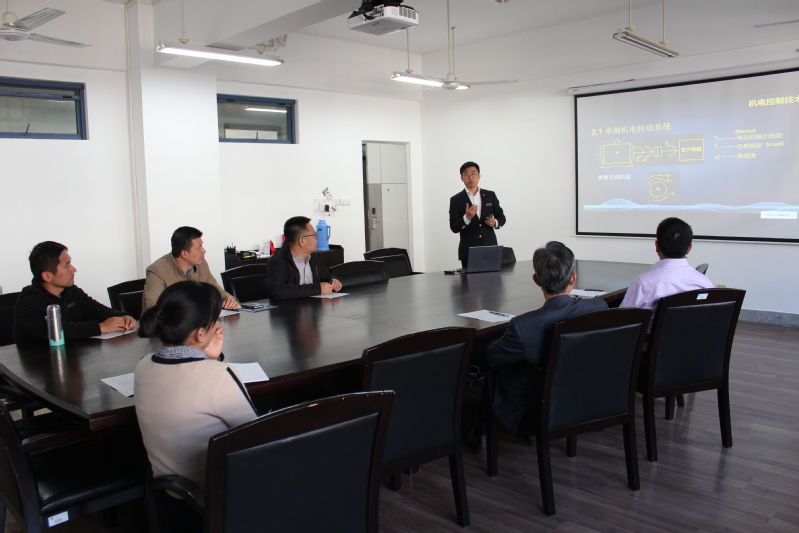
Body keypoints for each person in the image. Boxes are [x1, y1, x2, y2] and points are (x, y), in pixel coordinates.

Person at [135, 281, 258, 531]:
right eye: (216, 321)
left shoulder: (143, 365)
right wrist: (214, 363)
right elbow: (259, 438)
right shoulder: (217, 376)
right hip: (217, 503)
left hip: (175, 499)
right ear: (200, 334)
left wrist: (210, 357)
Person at [469, 241, 607, 452]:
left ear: (536, 280)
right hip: (583, 386)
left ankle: (481, 434)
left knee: (493, 370)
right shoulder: (599, 308)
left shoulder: (524, 326)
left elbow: (493, 357)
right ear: (573, 278)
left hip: (540, 395)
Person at [14, 241, 136, 344]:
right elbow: (51, 331)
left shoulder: (71, 291)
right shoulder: (29, 300)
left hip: (73, 357)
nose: (74, 269)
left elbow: (97, 310)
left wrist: (122, 317)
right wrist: (100, 327)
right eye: (67, 266)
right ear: (47, 276)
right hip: (40, 361)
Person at [620, 217, 713, 312]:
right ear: (689, 249)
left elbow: (624, 317)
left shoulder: (644, 284)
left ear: (657, 246)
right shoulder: (705, 284)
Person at [143, 226, 238, 311]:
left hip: (195, 321)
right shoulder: (157, 271)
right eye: (199, 247)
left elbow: (214, 288)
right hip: (167, 324)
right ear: (184, 254)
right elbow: (153, 308)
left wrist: (227, 298)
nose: (204, 250)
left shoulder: (201, 264)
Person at [265, 216, 342, 299]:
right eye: (314, 235)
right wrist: (317, 289)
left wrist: (333, 280)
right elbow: (278, 291)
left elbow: (326, 275)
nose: (317, 238)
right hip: (289, 307)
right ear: (302, 241)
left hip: (314, 305)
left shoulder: (313, 256)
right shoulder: (277, 261)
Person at [449, 161, 506, 268]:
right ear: (462, 178)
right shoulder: (456, 199)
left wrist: (495, 222)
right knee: (470, 279)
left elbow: (501, 217)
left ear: (479, 176)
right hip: (468, 250)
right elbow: (454, 227)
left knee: (493, 278)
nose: (470, 177)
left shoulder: (490, 195)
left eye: (473, 173)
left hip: (490, 248)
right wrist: (467, 217)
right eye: (466, 174)